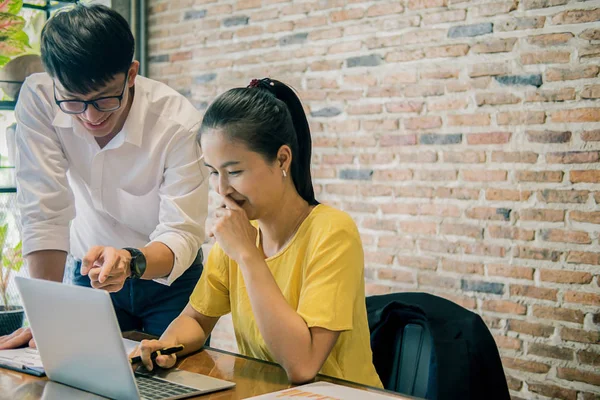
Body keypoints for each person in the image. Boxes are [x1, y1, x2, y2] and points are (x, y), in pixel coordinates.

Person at [131, 78, 383, 387]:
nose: (222, 189)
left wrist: (248, 255)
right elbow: (196, 319)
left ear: (281, 159)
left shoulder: (332, 232)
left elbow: (303, 366)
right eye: (213, 172)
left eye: (234, 172)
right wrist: (166, 346)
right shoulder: (239, 233)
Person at [0, 4, 208, 349]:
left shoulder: (178, 123)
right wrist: (46, 314)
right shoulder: (40, 98)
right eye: (73, 101)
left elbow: (181, 231)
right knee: (85, 377)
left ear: (131, 74)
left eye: (104, 99)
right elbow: (43, 208)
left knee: (168, 382)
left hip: (170, 282)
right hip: (89, 276)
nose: (91, 116)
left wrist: (130, 260)